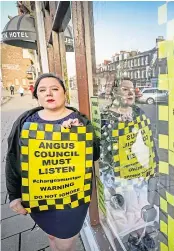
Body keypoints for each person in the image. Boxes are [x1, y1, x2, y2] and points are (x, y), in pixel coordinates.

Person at [5, 73, 100, 251]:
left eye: (55, 89)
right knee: (51, 235)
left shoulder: (80, 120)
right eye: (42, 90)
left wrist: (80, 137)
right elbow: (13, 158)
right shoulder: (26, 122)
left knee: (65, 242)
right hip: (38, 195)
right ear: (37, 96)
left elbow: (95, 154)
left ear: (65, 93)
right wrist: (14, 195)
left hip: (71, 197)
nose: (49, 93)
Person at [99, 77, 158, 250]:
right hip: (117, 172)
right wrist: (116, 126)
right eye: (125, 89)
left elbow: (148, 138)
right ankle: (135, 236)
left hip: (138, 167)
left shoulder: (138, 112)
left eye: (132, 88)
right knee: (125, 204)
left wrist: (154, 163)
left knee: (141, 201)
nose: (130, 91)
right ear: (115, 92)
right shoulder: (105, 115)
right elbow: (101, 147)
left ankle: (142, 233)